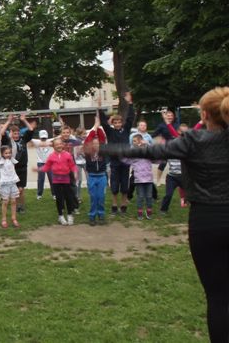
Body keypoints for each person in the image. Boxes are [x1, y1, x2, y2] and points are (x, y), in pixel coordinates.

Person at [97, 87, 229, 343]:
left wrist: (105, 148)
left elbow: (148, 152)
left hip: (207, 223)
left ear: (204, 114)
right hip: (209, 219)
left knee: (218, 297)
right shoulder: (195, 140)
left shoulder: (194, 141)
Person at [98, 92, 134, 215]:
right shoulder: (110, 131)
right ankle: (114, 205)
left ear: (122, 123)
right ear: (113, 123)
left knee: (124, 184)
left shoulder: (126, 130)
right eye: (115, 122)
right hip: (114, 162)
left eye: (119, 122)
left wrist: (130, 103)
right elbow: (103, 122)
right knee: (114, 185)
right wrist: (99, 108)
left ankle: (123, 205)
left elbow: (130, 118)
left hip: (125, 162)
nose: (118, 124)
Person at [36, 138, 78, 226]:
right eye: (57, 144)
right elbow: (46, 167)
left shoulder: (67, 155)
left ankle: (70, 215)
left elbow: (72, 166)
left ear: (62, 145)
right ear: (53, 146)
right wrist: (38, 169)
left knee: (68, 197)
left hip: (66, 180)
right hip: (56, 180)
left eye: (60, 144)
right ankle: (60, 216)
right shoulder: (51, 156)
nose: (59, 145)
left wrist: (75, 173)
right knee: (59, 198)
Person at [0, 114, 34, 213]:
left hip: (22, 167)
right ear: (11, 133)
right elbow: (2, 132)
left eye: (18, 133)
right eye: (14, 133)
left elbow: (31, 130)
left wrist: (24, 120)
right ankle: (14, 204)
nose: (16, 135)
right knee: (14, 189)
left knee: (21, 189)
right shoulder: (8, 141)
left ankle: (21, 206)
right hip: (12, 168)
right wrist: (8, 121)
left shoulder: (23, 139)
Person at [122, 134, 156, 220]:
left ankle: (149, 211)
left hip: (148, 179)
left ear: (140, 141)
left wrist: (147, 144)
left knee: (149, 196)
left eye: (134, 141)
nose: (133, 143)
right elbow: (125, 160)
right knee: (140, 197)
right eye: (132, 141)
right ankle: (140, 213)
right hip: (139, 180)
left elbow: (155, 155)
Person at [83, 114, 108, 225]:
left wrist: (99, 127)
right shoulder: (88, 151)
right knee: (93, 198)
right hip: (92, 177)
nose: (96, 145)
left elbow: (102, 138)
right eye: (93, 143)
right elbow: (88, 139)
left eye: (97, 143)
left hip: (102, 176)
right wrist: (95, 127)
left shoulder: (103, 150)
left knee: (101, 197)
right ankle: (92, 216)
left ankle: (101, 215)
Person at [0, 145, 20, 229]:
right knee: (5, 202)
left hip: (13, 183)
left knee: (13, 201)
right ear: (2, 154)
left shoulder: (12, 159)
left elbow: (14, 148)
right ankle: (4, 220)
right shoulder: (1, 160)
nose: (8, 154)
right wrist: (0, 139)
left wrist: (11, 139)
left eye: (9, 153)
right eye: (6, 153)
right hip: (5, 184)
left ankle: (14, 218)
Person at [32, 130, 54, 201]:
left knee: (52, 178)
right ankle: (39, 194)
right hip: (40, 163)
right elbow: (28, 138)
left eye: (45, 138)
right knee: (41, 179)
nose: (43, 139)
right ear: (39, 137)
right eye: (42, 138)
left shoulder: (50, 141)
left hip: (49, 163)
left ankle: (54, 194)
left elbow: (60, 137)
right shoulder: (36, 142)